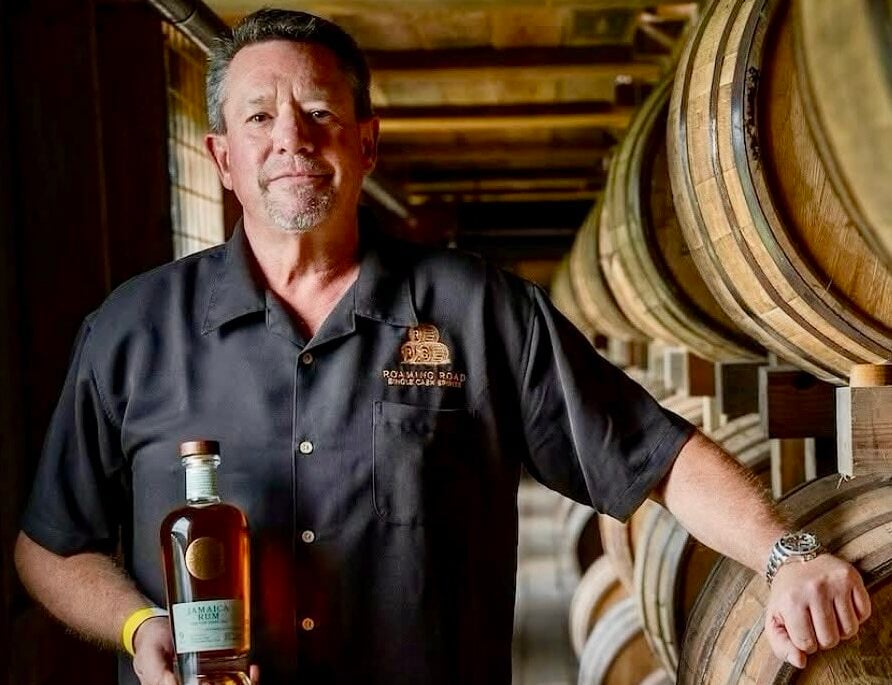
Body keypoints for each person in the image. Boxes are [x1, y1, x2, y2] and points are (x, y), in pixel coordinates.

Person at [14, 8, 870, 685]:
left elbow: (655, 456)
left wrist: (786, 555)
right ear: (223, 157)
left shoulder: (479, 311)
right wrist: (139, 625)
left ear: (366, 142)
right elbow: (50, 545)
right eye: (259, 116)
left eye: (320, 111)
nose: (292, 139)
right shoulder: (131, 329)